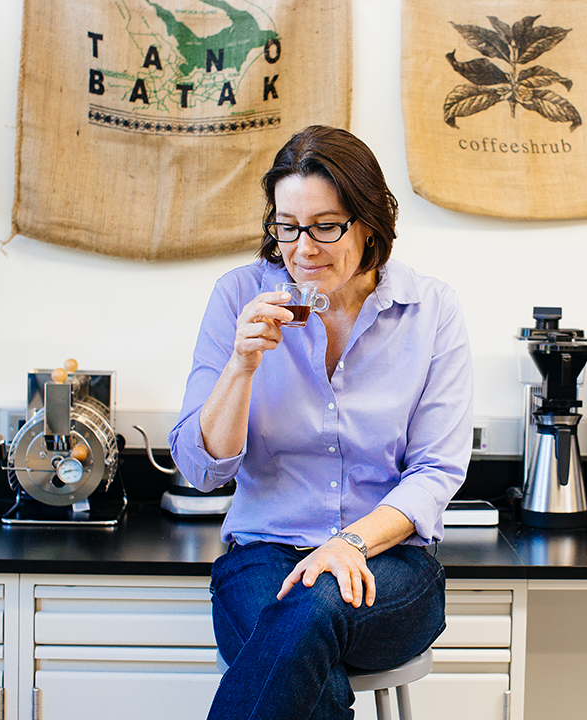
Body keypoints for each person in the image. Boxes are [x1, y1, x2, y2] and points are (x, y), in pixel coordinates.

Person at [169, 125, 474, 720]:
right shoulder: (238, 297)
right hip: (263, 553)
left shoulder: (431, 311)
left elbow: (437, 470)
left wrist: (347, 543)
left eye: (325, 226)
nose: (303, 248)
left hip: (390, 563)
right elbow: (200, 471)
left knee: (309, 610)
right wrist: (241, 366)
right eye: (287, 227)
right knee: (309, 667)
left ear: (369, 224)